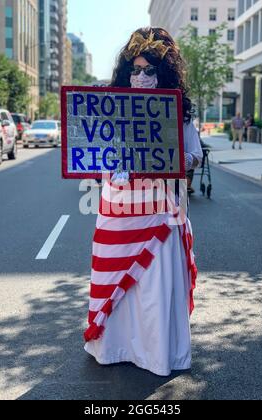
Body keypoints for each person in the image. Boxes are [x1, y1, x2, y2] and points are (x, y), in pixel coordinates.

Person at [83, 28, 203, 377]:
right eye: (135, 70)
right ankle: (114, 347)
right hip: (117, 213)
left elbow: (194, 154)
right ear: (125, 73)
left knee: (153, 292)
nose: (141, 77)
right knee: (117, 285)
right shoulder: (109, 110)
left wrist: (170, 159)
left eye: (149, 71)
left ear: (163, 75)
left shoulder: (178, 112)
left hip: (159, 217)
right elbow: (91, 152)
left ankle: (155, 353)